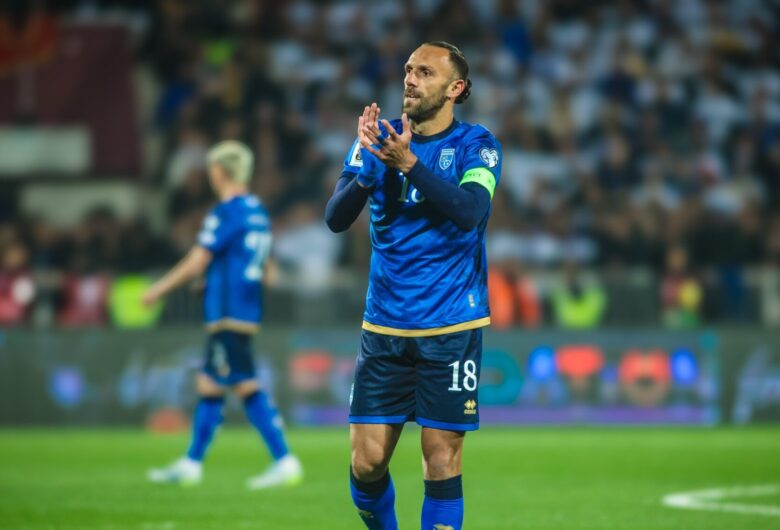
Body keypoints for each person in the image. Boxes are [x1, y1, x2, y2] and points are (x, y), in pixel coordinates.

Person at [325, 42, 502, 530]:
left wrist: (409, 165)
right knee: (366, 464)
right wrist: (366, 176)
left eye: (425, 72)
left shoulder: (476, 145)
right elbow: (335, 219)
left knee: (440, 459)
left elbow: (469, 212)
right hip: (384, 325)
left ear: (455, 88)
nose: (410, 78)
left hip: (451, 324)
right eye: (408, 69)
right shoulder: (375, 138)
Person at [143, 140, 302, 489]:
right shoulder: (257, 211)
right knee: (211, 383)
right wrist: (220, 278)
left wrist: (158, 290)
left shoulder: (226, 211)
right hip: (244, 309)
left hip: (228, 312)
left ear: (219, 172)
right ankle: (192, 463)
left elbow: (197, 259)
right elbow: (269, 272)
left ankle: (284, 460)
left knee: (244, 383)